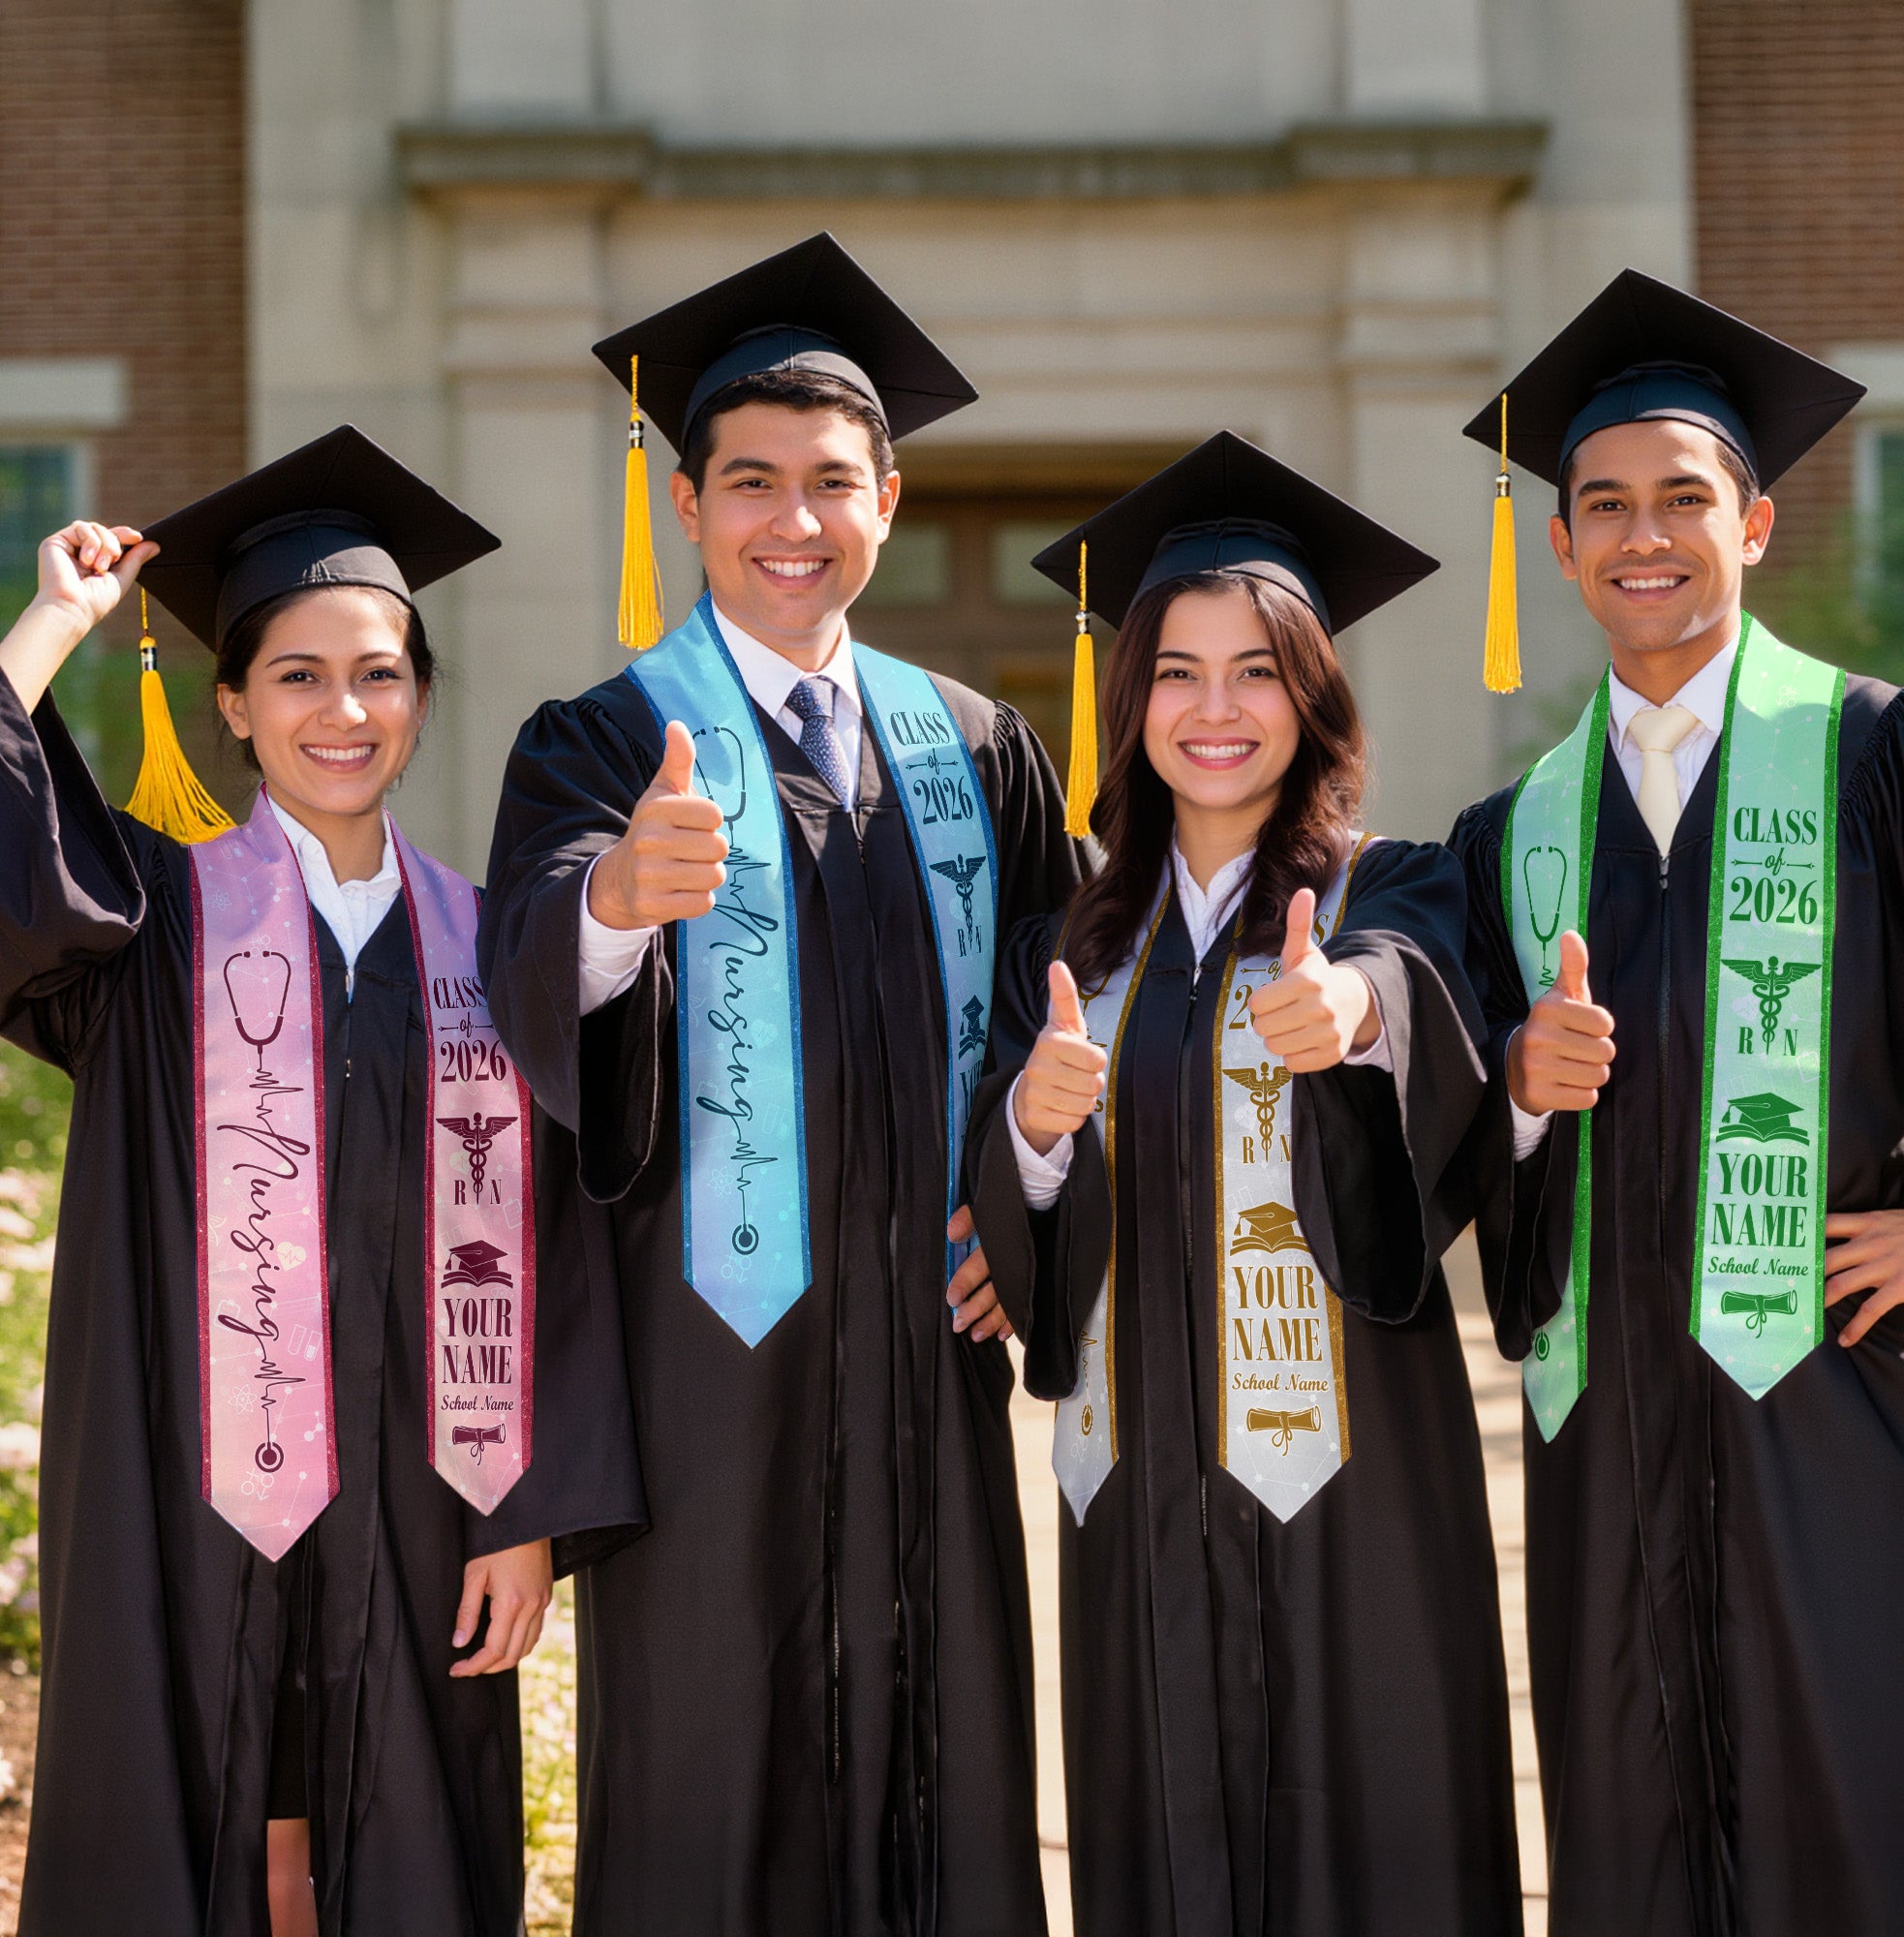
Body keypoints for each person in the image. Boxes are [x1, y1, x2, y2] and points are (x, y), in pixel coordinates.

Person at [480, 233, 1087, 1935]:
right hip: (708, 1372)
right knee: (711, 1773)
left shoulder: (974, 745)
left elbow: (1072, 1008)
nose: (793, 521)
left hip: (928, 1355)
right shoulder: (602, 741)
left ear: (889, 498)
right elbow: (534, 968)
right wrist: (613, 902)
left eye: (833, 482)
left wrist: (1028, 1208)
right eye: (751, 482)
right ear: (687, 505)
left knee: (945, 1757)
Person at [0, 426, 645, 1936]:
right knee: (188, 1803)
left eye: (379, 673)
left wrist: (527, 1511)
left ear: (421, 697)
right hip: (185, 1486)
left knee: (411, 1834)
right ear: (232, 703)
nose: (341, 710)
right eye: (296, 674)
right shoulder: (151, 921)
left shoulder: (494, 947)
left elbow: (561, 1241)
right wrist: (49, 626)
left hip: (429, 1501)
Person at [964, 432, 1520, 1936]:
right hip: (1135, 1486)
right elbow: (1023, 1223)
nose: (1217, 710)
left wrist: (1352, 1017)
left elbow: (1417, 997)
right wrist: (1028, 1125)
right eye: (1178, 672)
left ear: (1314, 694)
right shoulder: (1069, 948)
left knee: (1376, 1844)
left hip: (1357, 1500)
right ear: (1130, 697)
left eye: (1259, 670)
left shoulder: (1390, 888)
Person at [1450, 270, 1904, 1936]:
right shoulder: (1513, 833)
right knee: (1629, 1836)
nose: (1641, 535)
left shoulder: (1883, 756)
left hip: (1841, 1406)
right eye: (1603, 506)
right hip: (1609, 1435)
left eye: (1682, 498)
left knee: (1858, 1820)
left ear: (1757, 522)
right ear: (1566, 545)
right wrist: (1516, 1092)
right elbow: (1453, 1142)